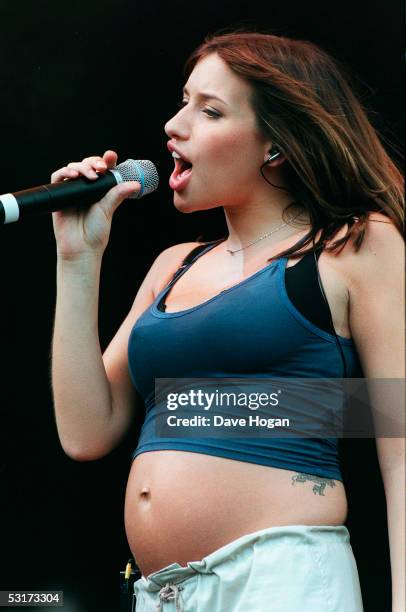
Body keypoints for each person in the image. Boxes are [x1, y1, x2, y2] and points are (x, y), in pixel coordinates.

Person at [51, 30, 404, 612]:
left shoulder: (352, 246)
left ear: (276, 146)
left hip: (280, 579)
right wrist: (76, 260)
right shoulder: (174, 264)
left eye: (209, 111)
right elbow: (87, 433)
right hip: (160, 593)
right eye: (184, 100)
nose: (175, 125)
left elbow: (400, 443)